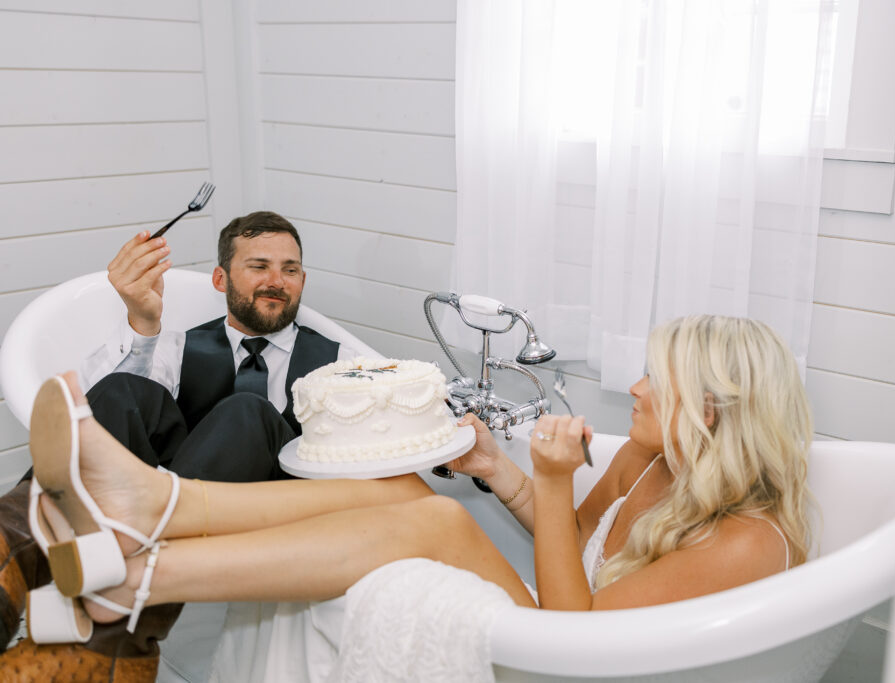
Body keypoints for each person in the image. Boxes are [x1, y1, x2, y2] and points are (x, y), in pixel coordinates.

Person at [20, 316, 813, 677]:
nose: (635, 388)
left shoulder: (751, 539)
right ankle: (156, 503)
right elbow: (574, 535)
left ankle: (138, 576)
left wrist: (549, 473)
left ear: (710, 410)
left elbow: (582, 636)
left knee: (431, 518)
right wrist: (502, 469)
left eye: (656, 379)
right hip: (566, 621)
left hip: (579, 662)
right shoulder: (654, 454)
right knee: (391, 482)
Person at [0, 211, 363, 678]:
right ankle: (18, 551)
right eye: (259, 266)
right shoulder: (177, 344)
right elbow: (100, 416)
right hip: (159, 494)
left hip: (269, 507)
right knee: (121, 390)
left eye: (289, 270)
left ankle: (116, 611)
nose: (277, 281)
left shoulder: (341, 361)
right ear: (219, 278)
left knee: (246, 411)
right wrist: (141, 320)